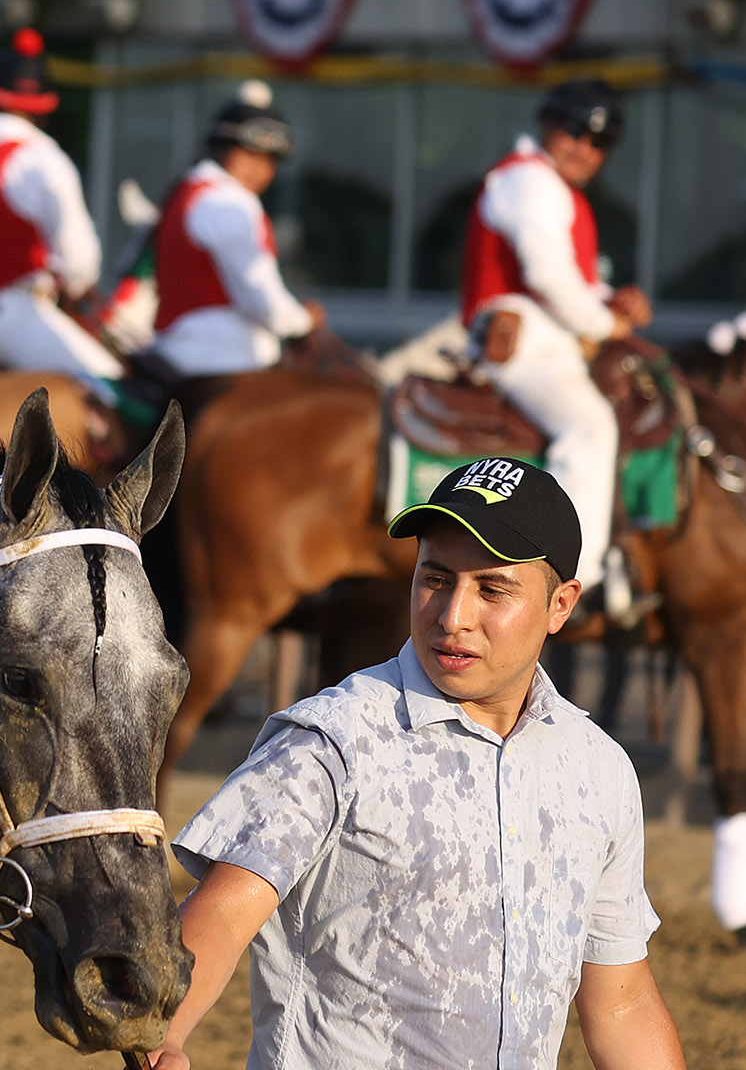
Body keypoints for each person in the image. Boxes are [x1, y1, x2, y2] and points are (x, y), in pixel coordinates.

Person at [152, 462, 683, 1070]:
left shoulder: (599, 771)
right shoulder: (332, 741)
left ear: (560, 605)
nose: (452, 615)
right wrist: (161, 1035)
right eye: (435, 578)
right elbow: (221, 912)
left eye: (492, 589)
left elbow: (621, 1004)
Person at [460, 80, 649, 620]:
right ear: (548, 125)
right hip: (524, 341)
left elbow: (571, 282)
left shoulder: (550, 186)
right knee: (589, 426)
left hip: (547, 336)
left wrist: (610, 300)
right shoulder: (530, 179)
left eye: (599, 142)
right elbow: (547, 277)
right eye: (575, 132)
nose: (585, 148)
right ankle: (574, 580)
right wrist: (606, 321)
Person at [0, 28, 123, 399]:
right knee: (113, 389)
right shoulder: (43, 158)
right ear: (43, 106)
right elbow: (79, 264)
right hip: (9, 320)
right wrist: (73, 286)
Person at [143, 83, 322, 378]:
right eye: (250, 155)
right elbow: (263, 300)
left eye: (270, 160)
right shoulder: (231, 201)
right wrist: (304, 321)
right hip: (223, 354)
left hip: (178, 345)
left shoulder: (187, 190)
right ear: (220, 149)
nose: (260, 169)